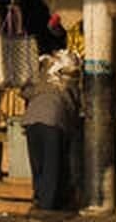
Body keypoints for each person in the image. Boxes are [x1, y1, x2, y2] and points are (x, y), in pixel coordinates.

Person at [22, 52, 80, 212]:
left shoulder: (40, 80)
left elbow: (25, 93)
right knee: (51, 166)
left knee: (38, 165)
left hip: (31, 121)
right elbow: (73, 108)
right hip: (52, 122)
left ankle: (40, 201)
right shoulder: (68, 83)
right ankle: (47, 208)